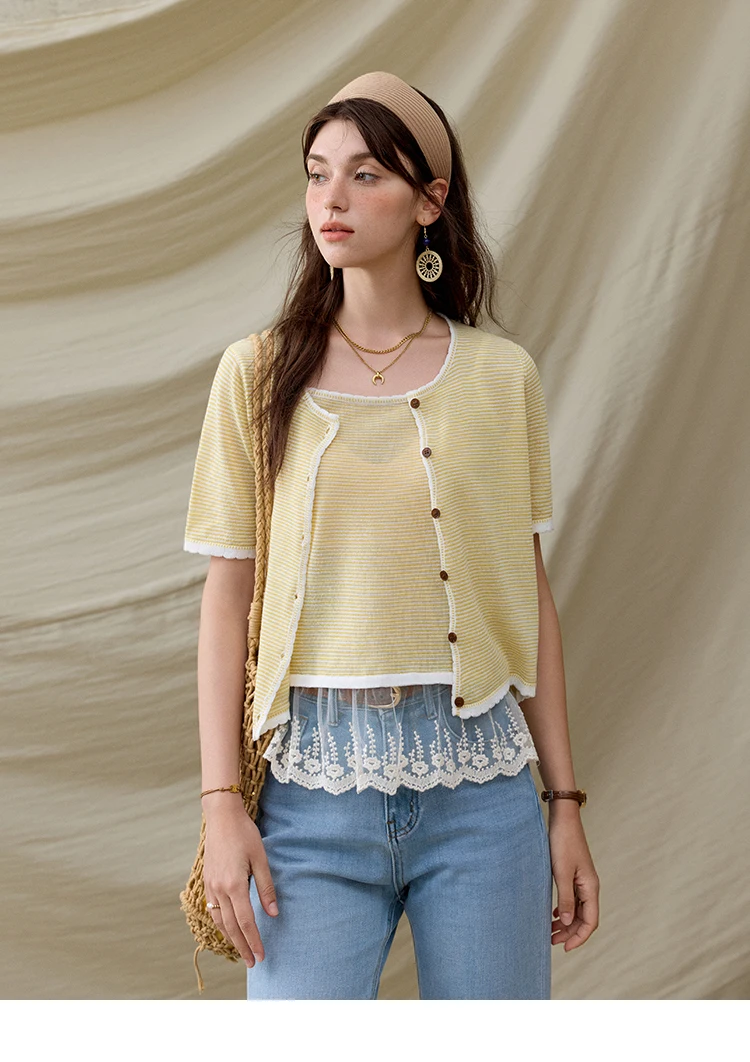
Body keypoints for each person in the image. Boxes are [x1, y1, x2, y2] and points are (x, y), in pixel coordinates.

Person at [183, 71, 600, 1000]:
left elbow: (528, 595)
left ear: (430, 201)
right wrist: (221, 804)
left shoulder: (501, 377)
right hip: (308, 797)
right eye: (317, 173)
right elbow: (227, 598)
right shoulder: (256, 374)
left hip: (482, 791)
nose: (331, 198)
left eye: (365, 175)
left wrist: (564, 804)